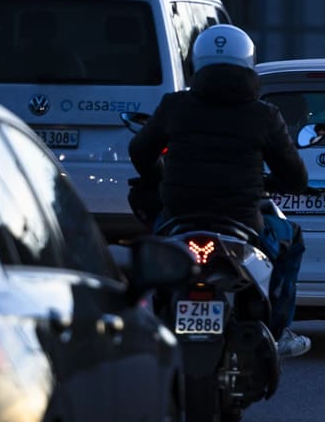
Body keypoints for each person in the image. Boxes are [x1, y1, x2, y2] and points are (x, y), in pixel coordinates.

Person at [128, 24, 313, 358]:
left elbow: (140, 151)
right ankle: (279, 330)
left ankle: (147, 327)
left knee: (151, 256)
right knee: (291, 241)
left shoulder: (174, 106)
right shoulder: (264, 115)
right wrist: (272, 182)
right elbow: (295, 177)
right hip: (242, 223)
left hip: (178, 220)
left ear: (197, 62)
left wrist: (158, 176)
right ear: (249, 62)